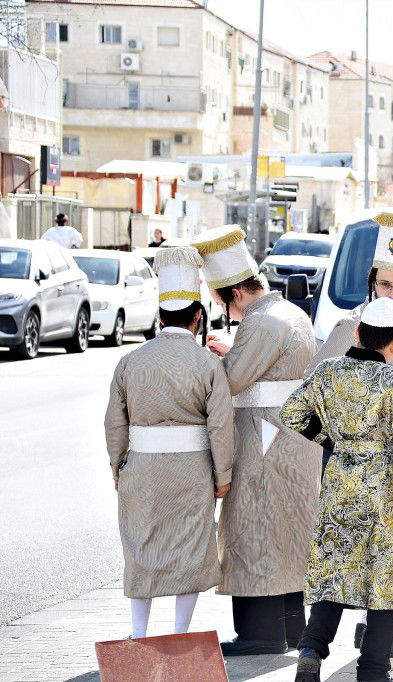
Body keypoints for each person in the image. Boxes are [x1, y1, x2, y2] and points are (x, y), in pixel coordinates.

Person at [306, 212, 393, 658]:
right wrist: (339, 444)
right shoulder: (348, 327)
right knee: (351, 550)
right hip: (356, 463)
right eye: (385, 286)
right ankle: (354, 649)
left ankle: (375, 634)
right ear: (372, 284)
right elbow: (316, 395)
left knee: (392, 551)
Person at [281, 296, 393, 682]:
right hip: (386, 487)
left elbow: (291, 412)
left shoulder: (327, 370)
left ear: (357, 333)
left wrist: (331, 441)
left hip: (340, 482)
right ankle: (373, 670)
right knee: (389, 573)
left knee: (336, 569)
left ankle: (311, 650)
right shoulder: (392, 377)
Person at [192, 224, 322, 655]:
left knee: (254, 528)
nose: (224, 312)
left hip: (263, 436)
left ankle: (259, 634)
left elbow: (230, 382)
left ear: (234, 293)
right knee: (288, 532)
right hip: (291, 436)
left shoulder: (260, 322)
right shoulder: (292, 313)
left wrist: (216, 361)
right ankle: (288, 629)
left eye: (221, 301)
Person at [103, 246, 233, 639]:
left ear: (160, 317)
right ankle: (180, 634)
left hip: (142, 466)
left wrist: (117, 467)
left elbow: (114, 423)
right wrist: (222, 473)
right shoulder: (208, 363)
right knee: (189, 551)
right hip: (193, 469)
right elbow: (221, 425)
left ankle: (138, 634)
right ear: (198, 318)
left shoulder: (131, 361)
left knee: (142, 549)